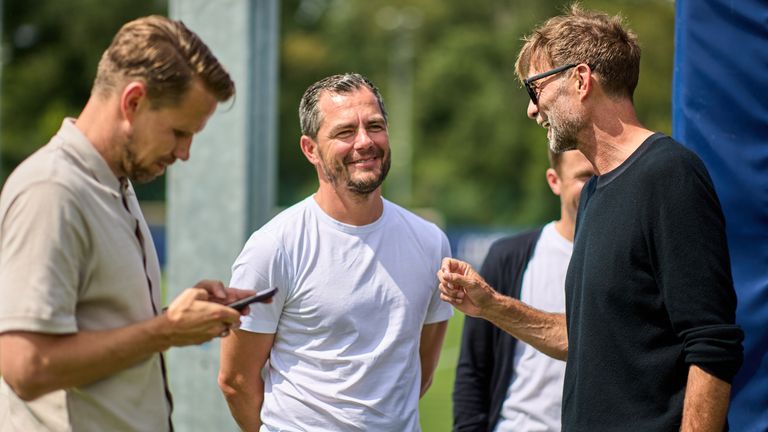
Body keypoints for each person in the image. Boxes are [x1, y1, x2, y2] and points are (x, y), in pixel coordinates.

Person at [439, 5, 744, 432]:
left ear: (581, 80)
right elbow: (587, 339)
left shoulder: (669, 174)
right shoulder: (596, 192)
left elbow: (712, 345)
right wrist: (492, 306)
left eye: (535, 89)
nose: (532, 110)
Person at [0, 15, 257, 432]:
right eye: (178, 132)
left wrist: (179, 318)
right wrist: (165, 330)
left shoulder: (113, 182)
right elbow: (25, 366)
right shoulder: (52, 189)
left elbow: (99, 328)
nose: (185, 153)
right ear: (133, 102)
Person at [218, 73, 452, 432]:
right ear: (310, 149)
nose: (365, 141)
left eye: (375, 126)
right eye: (345, 132)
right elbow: (236, 381)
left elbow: (420, 373)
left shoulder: (430, 242)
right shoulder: (274, 246)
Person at [453, 149, 593, 432]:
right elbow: (473, 371)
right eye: (584, 177)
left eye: (604, 175)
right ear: (554, 181)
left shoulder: (631, 260)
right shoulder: (509, 257)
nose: (597, 186)